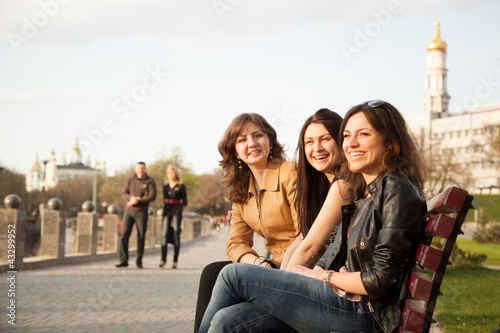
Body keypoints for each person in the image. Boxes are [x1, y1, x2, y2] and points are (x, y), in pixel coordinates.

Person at [198, 100, 428, 333]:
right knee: (227, 319)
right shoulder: (368, 189)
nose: (351, 143)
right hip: (345, 298)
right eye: (347, 136)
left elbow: (380, 280)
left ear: (390, 141)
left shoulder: (393, 189)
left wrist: (322, 275)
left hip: (364, 311)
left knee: (232, 275)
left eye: (364, 134)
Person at [193, 113, 298, 332]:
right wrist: (260, 265)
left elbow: (306, 234)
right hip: (273, 267)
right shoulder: (241, 188)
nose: (251, 143)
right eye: (242, 140)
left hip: (298, 267)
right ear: (234, 151)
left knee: (229, 289)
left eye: (258, 135)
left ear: (270, 140)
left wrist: (276, 273)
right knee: (212, 272)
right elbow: (236, 243)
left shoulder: (290, 173)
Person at [115, 162, 157, 269]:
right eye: (138, 168)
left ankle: (139, 261)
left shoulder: (150, 181)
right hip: (129, 211)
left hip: (142, 211)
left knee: (141, 237)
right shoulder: (130, 180)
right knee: (124, 235)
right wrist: (131, 199)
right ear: (135, 169)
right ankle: (123, 260)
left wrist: (139, 200)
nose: (140, 170)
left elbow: (152, 196)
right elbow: (124, 193)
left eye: (142, 168)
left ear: (145, 169)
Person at [159, 166, 187, 269]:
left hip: (176, 210)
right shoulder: (165, 186)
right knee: (164, 234)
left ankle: (175, 261)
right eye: (169, 173)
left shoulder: (181, 186)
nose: (171, 175)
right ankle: (163, 259)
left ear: (176, 174)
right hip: (167, 210)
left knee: (176, 234)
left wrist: (181, 209)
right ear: (167, 175)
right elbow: (164, 199)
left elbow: (185, 201)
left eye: (173, 173)